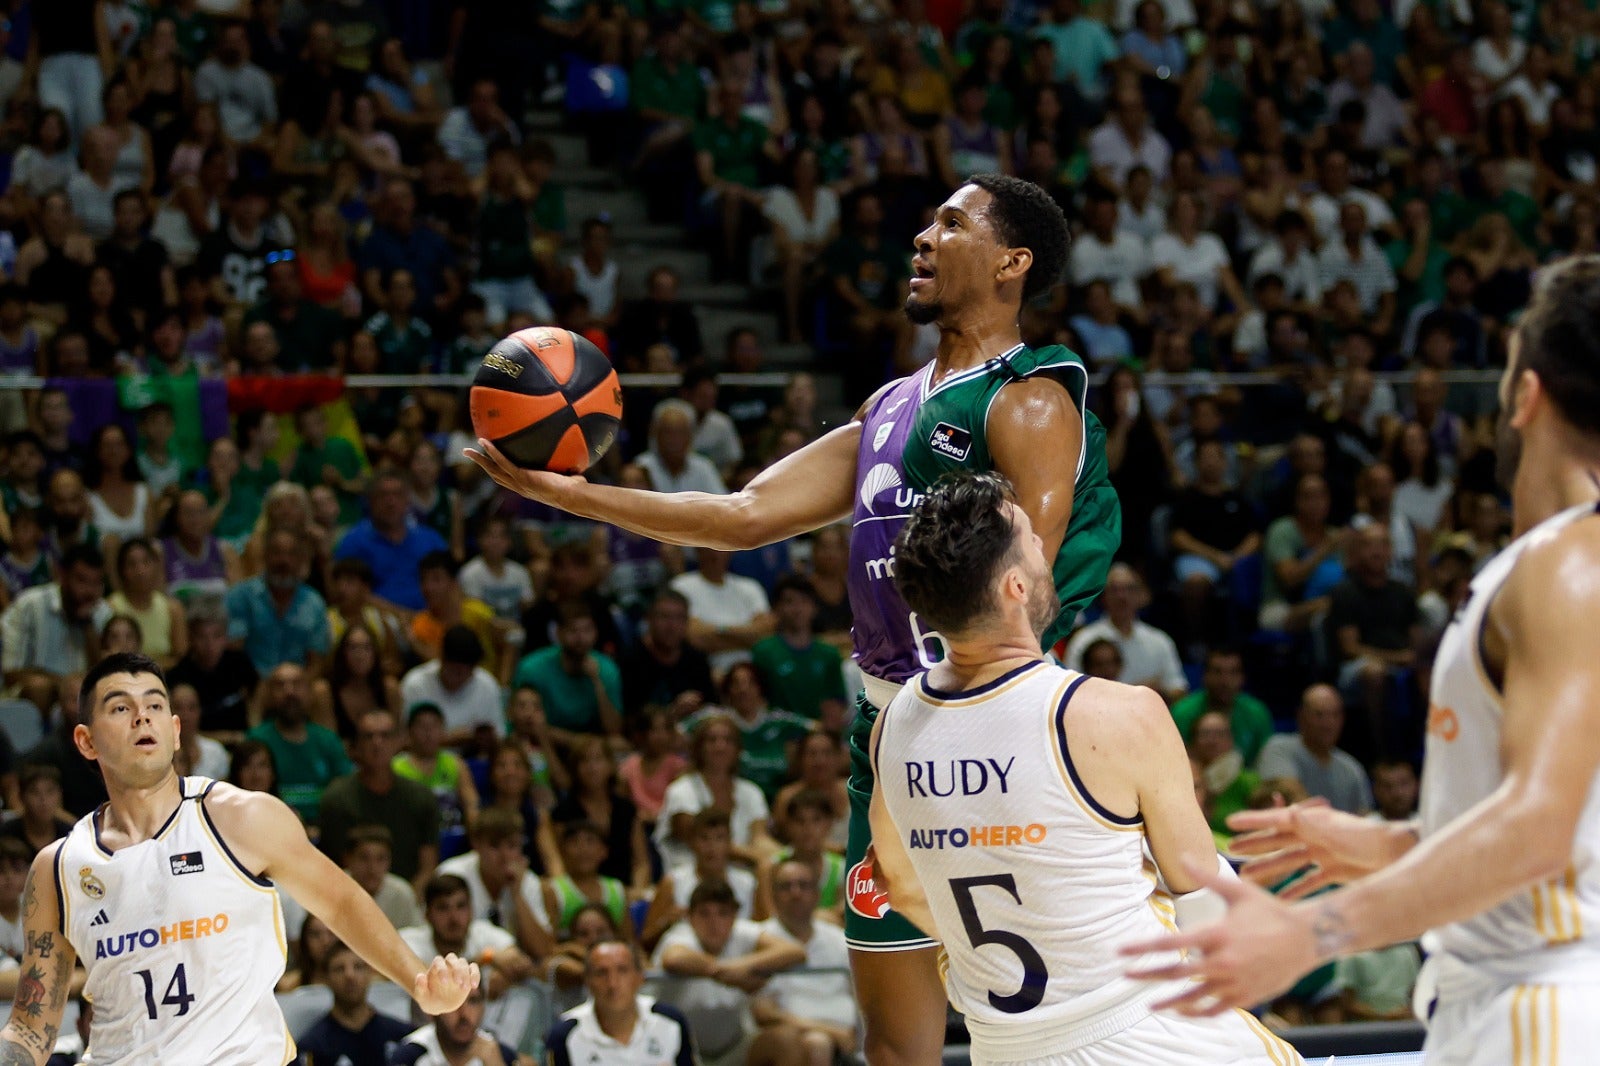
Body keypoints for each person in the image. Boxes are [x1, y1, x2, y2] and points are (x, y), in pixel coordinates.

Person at [468, 174, 1118, 1065]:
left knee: (1042, 1027)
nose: (923, 239)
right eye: (927, 223)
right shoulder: (890, 407)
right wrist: (574, 497)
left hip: (990, 736)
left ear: (1013, 262)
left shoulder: (1030, 397)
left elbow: (1025, 594)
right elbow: (742, 517)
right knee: (895, 1045)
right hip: (885, 736)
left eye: (952, 224)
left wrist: (973, 726)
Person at [1119, 255, 1600, 1057]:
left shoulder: (1568, 567)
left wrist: (1312, 933)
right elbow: (1565, 832)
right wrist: (1387, 844)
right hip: (1507, 996)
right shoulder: (1554, 564)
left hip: (1544, 1002)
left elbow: (1539, 830)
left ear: (1525, 396)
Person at [869, 473, 1302, 1064]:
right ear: (1015, 586)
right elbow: (1205, 896)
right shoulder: (1116, 715)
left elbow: (901, 886)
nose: (1047, 550)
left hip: (1003, 1048)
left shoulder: (891, 728)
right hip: (1146, 1035)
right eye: (1031, 540)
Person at [0, 653, 478, 1065]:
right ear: (85, 741)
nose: (141, 717)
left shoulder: (240, 817)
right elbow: (30, 1026)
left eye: (154, 705)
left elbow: (340, 902)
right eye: (121, 707)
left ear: (175, 729)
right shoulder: (57, 866)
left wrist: (418, 980)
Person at [653, 880, 809, 1066]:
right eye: (704, 914)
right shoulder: (680, 935)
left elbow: (795, 951)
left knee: (786, 1041)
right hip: (681, 1050)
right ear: (690, 917)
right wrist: (736, 979)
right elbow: (674, 958)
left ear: (734, 916)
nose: (714, 923)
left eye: (723, 913)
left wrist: (737, 968)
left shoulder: (742, 932)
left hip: (733, 1046)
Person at [318, 710, 442, 887]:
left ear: (399, 741)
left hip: (408, 901)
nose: (377, 743)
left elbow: (428, 867)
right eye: (369, 737)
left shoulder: (421, 797)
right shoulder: (336, 798)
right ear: (356, 745)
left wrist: (405, 901)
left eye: (385, 735)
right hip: (350, 898)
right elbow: (331, 867)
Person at [754, 859, 858, 1063]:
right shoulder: (760, 939)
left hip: (850, 1037)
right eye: (786, 886)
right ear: (773, 896)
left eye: (803, 885)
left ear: (817, 894)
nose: (796, 893)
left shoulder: (839, 939)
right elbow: (764, 1013)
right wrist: (826, 1030)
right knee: (817, 1043)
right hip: (789, 1040)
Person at [545, 940, 697, 1066]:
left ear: (640, 977)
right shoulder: (565, 1035)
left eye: (622, 970)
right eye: (601, 973)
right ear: (587, 981)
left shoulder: (670, 1022)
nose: (613, 984)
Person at [1062, 564, 1189, 703]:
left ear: (1141, 595)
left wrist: (1160, 692)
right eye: (1114, 590)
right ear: (1103, 596)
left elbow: (1179, 689)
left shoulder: (1160, 640)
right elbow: (1069, 692)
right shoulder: (1083, 640)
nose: (1122, 596)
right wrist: (1135, 692)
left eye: (1129, 589)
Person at [400, 874, 537, 1001]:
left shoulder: (483, 932)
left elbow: (522, 962)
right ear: (427, 915)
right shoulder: (410, 941)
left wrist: (507, 974)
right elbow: (432, 980)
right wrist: (486, 958)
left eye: (461, 906)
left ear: (471, 910)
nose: (453, 917)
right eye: (443, 908)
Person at [246, 662, 354, 824]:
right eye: (280, 685)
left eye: (297, 684)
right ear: (269, 696)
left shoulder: (328, 740)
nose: (289, 692)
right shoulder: (257, 740)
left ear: (310, 693)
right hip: (268, 825)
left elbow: (347, 789)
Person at [750, 574, 848, 727]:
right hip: (778, 734)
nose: (797, 609)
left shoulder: (829, 654)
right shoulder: (764, 652)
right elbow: (758, 704)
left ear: (814, 608)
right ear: (776, 608)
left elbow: (835, 705)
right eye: (789, 601)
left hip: (819, 736)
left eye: (804, 601)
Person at [295, 940, 413, 1066]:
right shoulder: (312, 1046)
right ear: (326, 977)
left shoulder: (404, 1037)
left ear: (371, 972)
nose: (349, 976)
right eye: (339, 969)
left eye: (358, 967)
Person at [399, 625, 504, 747]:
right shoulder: (415, 684)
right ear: (442, 659)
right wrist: (450, 740)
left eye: (467, 670)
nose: (460, 676)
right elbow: (403, 742)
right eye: (455, 670)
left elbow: (500, 737)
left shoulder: (487, 685)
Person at [1168, 647, 1275, 767]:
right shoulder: (1181, 713)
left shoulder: (1257, 713)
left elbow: (1265, 761)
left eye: (1233, 672)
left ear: (1242, 678)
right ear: (1204, 676)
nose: (1225, 681)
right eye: (1217, 672)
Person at [388, 982, 522, 1066]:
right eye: (452, 1002)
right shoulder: (410, 1055)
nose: (464, 1013)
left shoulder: (501, 1055)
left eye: (473, 1001)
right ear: (432, 1010)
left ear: (483, 1007)